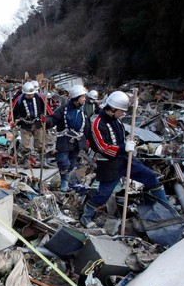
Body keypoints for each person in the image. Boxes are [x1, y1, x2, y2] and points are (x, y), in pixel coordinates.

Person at [80, 91, 168, 228]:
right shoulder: (97, 124)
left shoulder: (117, 121)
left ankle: (166, 209)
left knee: (150, 177)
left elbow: (120, 138)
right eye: (121, 111)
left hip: (125, 160)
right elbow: (102, 147)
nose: (123, 114)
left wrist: (129, 144)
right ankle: (86, 216)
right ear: (113, 109)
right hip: (108, 165)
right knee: (103, 195)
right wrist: (123, 148)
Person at [46, 84, 91, 191]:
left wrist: (88, 140)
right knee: (63, 161)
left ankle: (68, 180)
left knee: (72, 162)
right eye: (82, 97)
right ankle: (64, 181)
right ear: (76, 97)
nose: (84, 99)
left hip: (78, 141)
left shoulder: (83, 111)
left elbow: (87, 126)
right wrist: (47, 121)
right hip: (64, 140)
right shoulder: (63, 109)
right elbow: (54, 119)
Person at [11, 81, 49, 165]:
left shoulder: (39, 98)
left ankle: (43, 160)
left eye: (31, 94)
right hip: (25, 124)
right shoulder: (19, 100)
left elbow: (46, 109)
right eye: (28, 94)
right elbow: (14, 112)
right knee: (25, 144)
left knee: (40, 143)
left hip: (38, 123)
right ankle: (27, 160)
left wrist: (49, 118)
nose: (30, 96)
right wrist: (12, 120)